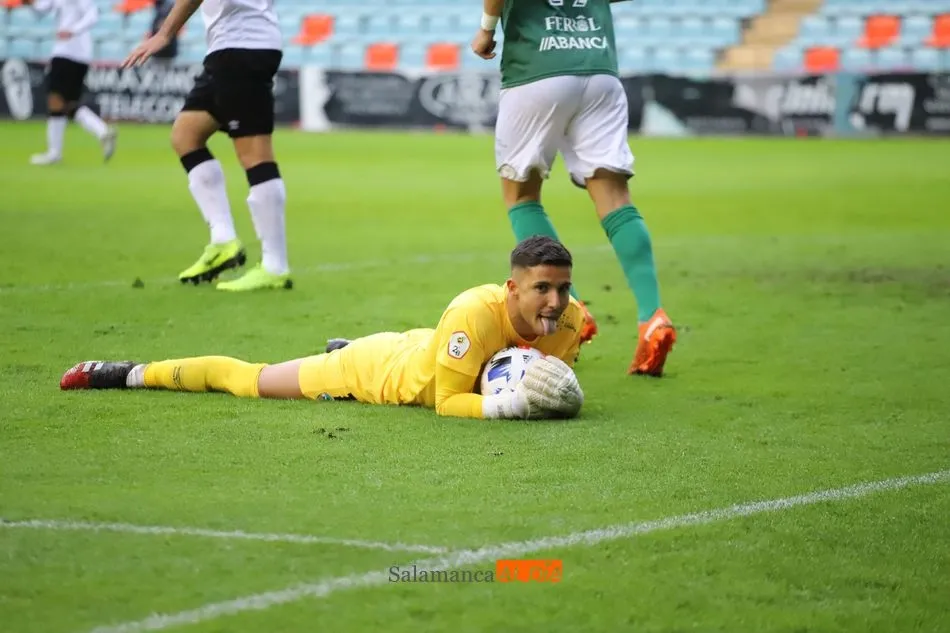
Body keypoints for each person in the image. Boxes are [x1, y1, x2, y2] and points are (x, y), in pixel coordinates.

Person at [60, 237, 586, 420]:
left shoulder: (569, 320)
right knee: (252, 381)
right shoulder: (474, 314)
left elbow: (551, 372)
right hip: (378, 372)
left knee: (418, 348)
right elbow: (448, 404)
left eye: (562, 289)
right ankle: (128, 373)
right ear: (512, 288)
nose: (555, 301)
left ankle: (343, 346)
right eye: (542, 289)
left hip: (423, 347)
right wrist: (512, 406)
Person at [471, 0, 677, 376]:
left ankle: (574, 311)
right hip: (600, 70)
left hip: (537, 69)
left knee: (521, 196)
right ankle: (652, 317)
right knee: (615, 199)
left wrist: (487, 27)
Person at [123, 0, 291, 291]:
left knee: (255, 154)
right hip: (234, 47)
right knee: (186, 134)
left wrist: (165, 34)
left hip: (241, 48)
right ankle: (224, 241)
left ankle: (275, 266)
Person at [23, 0, 118, 166]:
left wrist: (73, 30)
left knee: (56, 99)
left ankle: (54, 153)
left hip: (69, 53)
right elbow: (43, 9)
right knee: (67, 104)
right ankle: (102, 131)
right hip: (76, 54)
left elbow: (92, 14)